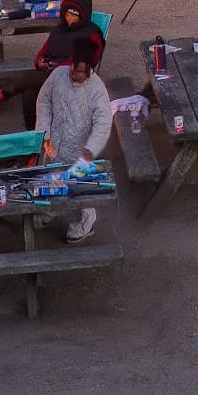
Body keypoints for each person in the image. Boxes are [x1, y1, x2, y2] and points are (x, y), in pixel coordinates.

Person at [35, 36, 114, 242]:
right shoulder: (58, 76)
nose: (74, 73)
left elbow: (103, 123)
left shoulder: (97, 91)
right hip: (55, 143)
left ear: (89, 69)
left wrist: (91, 149)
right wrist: (44, 133)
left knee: (81, 189)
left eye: (80, 71)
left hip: (81, 150)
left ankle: (87, 223)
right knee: (52, 179)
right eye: (73, 68)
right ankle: (49, 213)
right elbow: (43, 101)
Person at [33, 0, 101, 70]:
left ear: (82, 17)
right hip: (50, 72)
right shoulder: (59, 29)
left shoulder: (92, 34)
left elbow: (88, 60)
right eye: (67, 15)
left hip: (74, 75)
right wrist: (40, 62)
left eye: (73, 16)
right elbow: (45, 50)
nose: (69, 18)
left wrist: (60, 66)